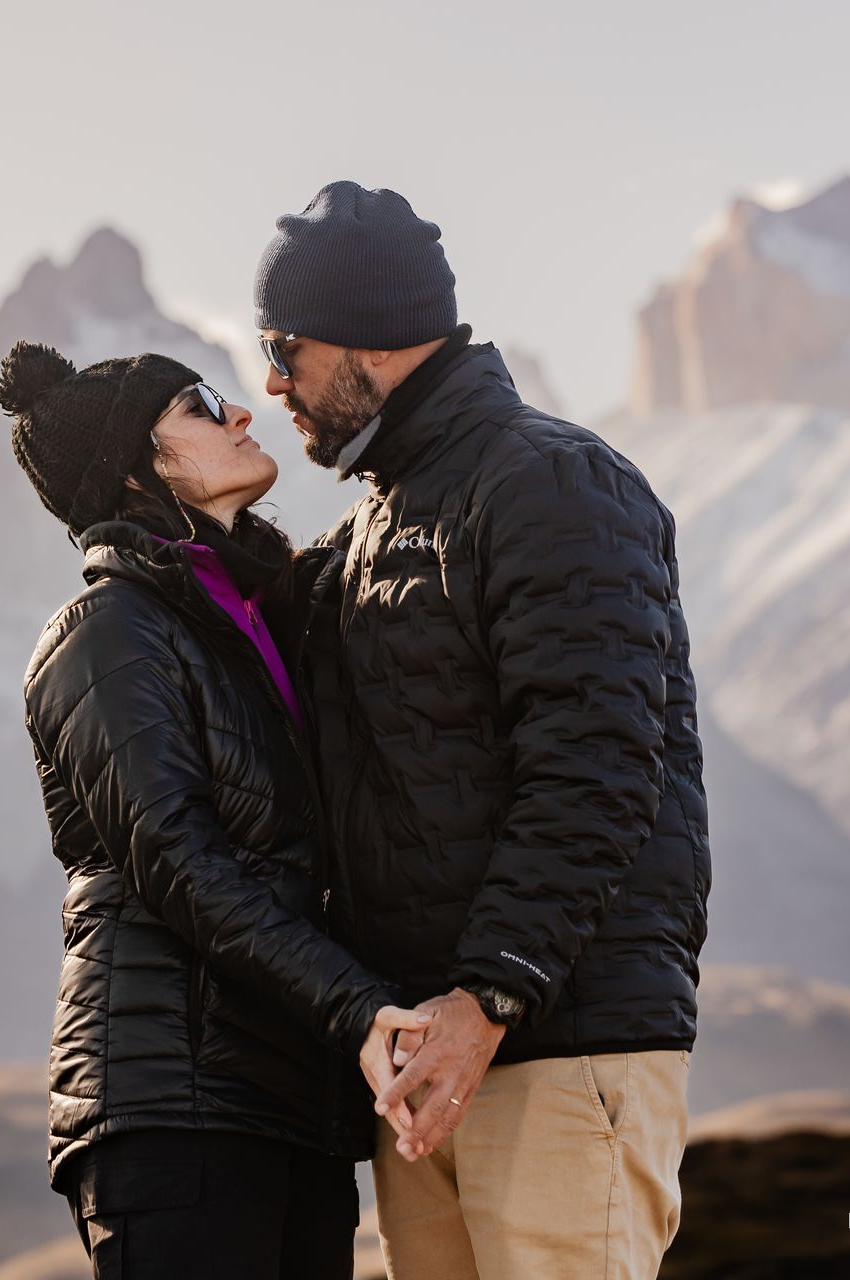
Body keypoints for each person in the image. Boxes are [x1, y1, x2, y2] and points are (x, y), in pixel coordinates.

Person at [253, 181, 712, 1279]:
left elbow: (599, 763)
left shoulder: (553, 481)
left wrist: (490, 994)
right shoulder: (372, 523)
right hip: (438, 1062)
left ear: (366, 336)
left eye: (286, 347)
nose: (274, 384)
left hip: (555, 1045)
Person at [0, 339, 430, 1280]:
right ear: (134, 468)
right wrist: (360, 1008)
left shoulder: (259, 615)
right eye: (197, 405)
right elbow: (181, 864)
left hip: (293, 1103)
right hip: (174, 1112)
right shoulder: (107, 633)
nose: (240, 413)